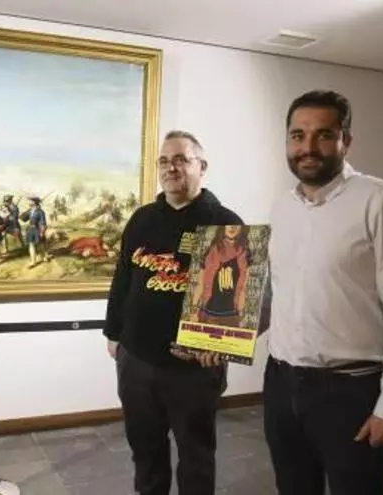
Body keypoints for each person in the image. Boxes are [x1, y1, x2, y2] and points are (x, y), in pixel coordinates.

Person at [263, 89, 383, 495]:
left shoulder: (381, 201)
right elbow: (278, 293)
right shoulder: (282, 208)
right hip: (281, 384)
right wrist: (218, 335)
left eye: (323, 135)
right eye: (297, 135)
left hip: (350, 392)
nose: (307, 147)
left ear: (346, 141)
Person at [103, 130, 243, 495]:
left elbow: (235, 299)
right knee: (145, 451)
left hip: (193, 367)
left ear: (202, 166)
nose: (171, 167)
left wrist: (221, 344)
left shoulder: (225, 223)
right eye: (164, 161)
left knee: (196, 455)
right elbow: (122, 278)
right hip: (136, 359)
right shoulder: (142, 219)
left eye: (181, 159)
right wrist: (113, 333)